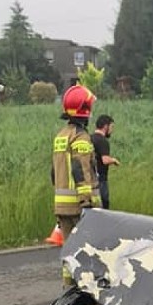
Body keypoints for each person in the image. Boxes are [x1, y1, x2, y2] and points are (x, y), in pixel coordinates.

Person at [51, 84, 101, 245]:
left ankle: (68, 272)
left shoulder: (61, 136)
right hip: (79, 207)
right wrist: (86, 203)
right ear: (84, 109)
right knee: (86, 253)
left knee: (70, 252)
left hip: (62, 206)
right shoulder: (80, 137)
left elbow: (54, 172)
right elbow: (81, 169)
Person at [90, 115, 120, 210]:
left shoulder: (89, 138)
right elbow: (105, 160)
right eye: (111, 127)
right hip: (101, 179)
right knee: (104, 206)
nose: (112, 130)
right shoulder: (103, 141)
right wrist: (114, 160)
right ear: (105, 127)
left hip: (90, 178)